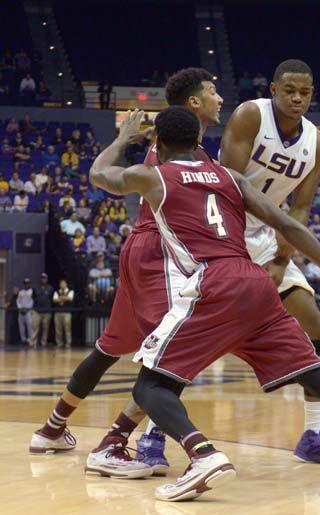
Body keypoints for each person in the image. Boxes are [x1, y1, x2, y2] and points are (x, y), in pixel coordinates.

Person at [80, 107, 320, 500]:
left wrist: (123, 137)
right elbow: (290, 225)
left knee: (150, 385)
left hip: (214, 284)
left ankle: (203, 456)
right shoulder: (230, 177)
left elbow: (98, 174)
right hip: (255, 283)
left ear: (157, 143)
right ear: (198, 143)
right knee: (318, 378)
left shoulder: (151, 175)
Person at [29, 68, 222, 470]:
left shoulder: (175, 149)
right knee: (170, 354)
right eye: (213, 91)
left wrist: (120, 139)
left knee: (108, 349)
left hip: (139, 250)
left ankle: (51, 428)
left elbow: (100, 174)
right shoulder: (186, 155)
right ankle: (116, 443)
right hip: (161, 252)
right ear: (194, 104)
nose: (220, 98)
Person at [219, 59, 320, 465]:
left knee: (313, 323)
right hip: (220, 229)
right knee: (199, 334)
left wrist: (281, 258)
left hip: (265, 235)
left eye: (305, 92)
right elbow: (226, 188)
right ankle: (155, 431)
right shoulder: (250, 116)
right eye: (289, 90)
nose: (297, 98)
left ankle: (314, 435)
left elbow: (301, 207)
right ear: (273, 88)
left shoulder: (317, 140)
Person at [31, 273, 54, 347]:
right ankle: (33, 343)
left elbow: (51, 298)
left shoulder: (50, 288)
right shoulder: (35, 287)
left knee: (45, 329)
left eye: (44, 278)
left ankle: (43, 343)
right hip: (37, 311)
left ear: (47, 279)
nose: (43, 279)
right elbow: (33, 297)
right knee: (34, 327)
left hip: (47, 312)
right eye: (42, 278)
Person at [53, 279, 74, 348]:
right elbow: (54, 300)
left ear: (66, 284)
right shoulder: (56, 291)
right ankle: (59, 343)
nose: (62, 285)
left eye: (63, 283)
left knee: (67, 329)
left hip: (67, 313)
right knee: (58, 329)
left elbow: (70, 298)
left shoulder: (70, 291)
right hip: (58, 313)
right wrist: (64, 298)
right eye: (61, 283)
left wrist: (60, 298)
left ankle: (68, 343)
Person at [17, 278, 34, 346]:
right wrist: (20, 308)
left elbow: (32, 301)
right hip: (21, 311)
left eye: (28, 283)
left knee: (29, 327)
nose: (26, 284)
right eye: (25, 283)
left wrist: (27, 309)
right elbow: (18, 301)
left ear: (29, 283)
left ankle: (30, 341)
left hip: (28, 312)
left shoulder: (32, 291)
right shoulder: (21, 292)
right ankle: (23, 340)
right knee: (21, 327)